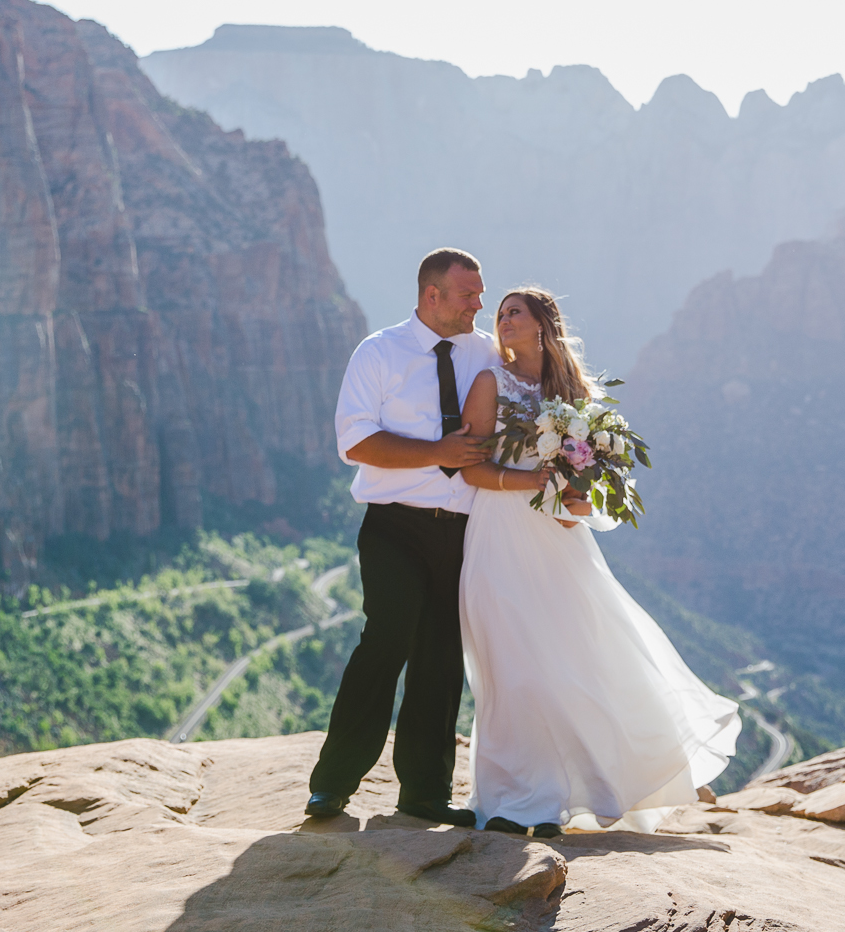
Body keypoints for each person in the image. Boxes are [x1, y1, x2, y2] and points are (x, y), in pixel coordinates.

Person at [454, 287, 741, 836]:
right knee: (510, 667)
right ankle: (514, 802)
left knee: (573, 659)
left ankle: (577, 795)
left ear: (543, 324)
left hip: (559, 541)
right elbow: (469, 467)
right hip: (500, 534)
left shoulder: (576, 394)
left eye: (516, 311)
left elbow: (595, 479)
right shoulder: (491, 382)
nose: (504, 319)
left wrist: (575, 498)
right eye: (501, 313)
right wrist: (527, 481)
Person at [306, 248, 500, 824]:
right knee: (387, 639)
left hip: (465, 530)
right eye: (468, 294)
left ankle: (424, 796)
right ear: (431, 295)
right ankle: (333, 784)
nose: (479, 304)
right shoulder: (379, 353)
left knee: (441, 657)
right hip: (394, 525)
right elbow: (355, 442)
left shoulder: (488, 352)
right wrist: (437, 453)